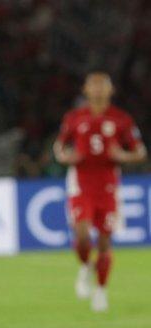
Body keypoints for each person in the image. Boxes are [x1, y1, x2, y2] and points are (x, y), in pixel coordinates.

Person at [53, 71, 146, 312]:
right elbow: (59, 147)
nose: (97, 89)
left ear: (111, 90)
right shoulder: (74, 118)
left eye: (102, 85)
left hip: (108, 185)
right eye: (93, 85)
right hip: (81, 182)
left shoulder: (121, 119)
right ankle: (86, 266)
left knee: (105, 242)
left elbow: (140, 151)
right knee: (82, 233)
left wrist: (123, 155)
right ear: (85, 90)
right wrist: (65, 157)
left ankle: (101, 289)